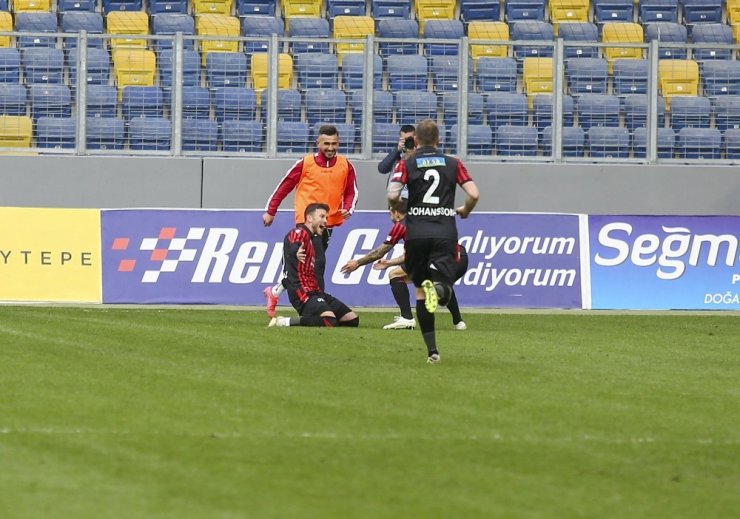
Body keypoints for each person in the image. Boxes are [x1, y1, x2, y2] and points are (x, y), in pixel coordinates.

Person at [387, 119, 479, 364]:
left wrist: (400, 207)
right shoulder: (453, 163)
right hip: (444, 231)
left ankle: (432, 352)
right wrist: (466, 210)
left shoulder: (407, 163)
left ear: (415, 140)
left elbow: (392, 194)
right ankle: (437, 290)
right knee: (444, 285)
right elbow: (474, 193)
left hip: (416, 233)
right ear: (439, 141)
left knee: (419, 290)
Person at [262, 125, 359, 318]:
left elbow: (351, 191)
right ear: (318, 143)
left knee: (311, 266)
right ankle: (309, 304)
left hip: (327, 224)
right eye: (327, 144)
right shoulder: (305, 163)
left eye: (334, 144)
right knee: (300, 264)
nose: (331, 148)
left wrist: (348, 207)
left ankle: (277, 292)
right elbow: (284, 186)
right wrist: (271, 211)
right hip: (304, 224)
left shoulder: (345, 165)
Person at [340, 199, 468, 331]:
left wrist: (357, 263)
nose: (390, 216)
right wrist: (389, 262)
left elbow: (380, 252)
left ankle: (407, 318)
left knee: (395, 275)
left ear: (396, 213)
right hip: (461, 259)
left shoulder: (402, 225)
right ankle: (458, 322)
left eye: (390, 212)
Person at [269, 203, 360, 328]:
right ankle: (283, 322)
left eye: (326, 218)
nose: (325, 221)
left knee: (352, 320)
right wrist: (296, 251)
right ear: (310, 218)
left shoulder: (313, 239)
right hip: (302, 291)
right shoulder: (299, 232)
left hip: (316, 291)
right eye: (322, 217)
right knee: (329, 321)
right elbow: (294, 244)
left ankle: (315, 319)